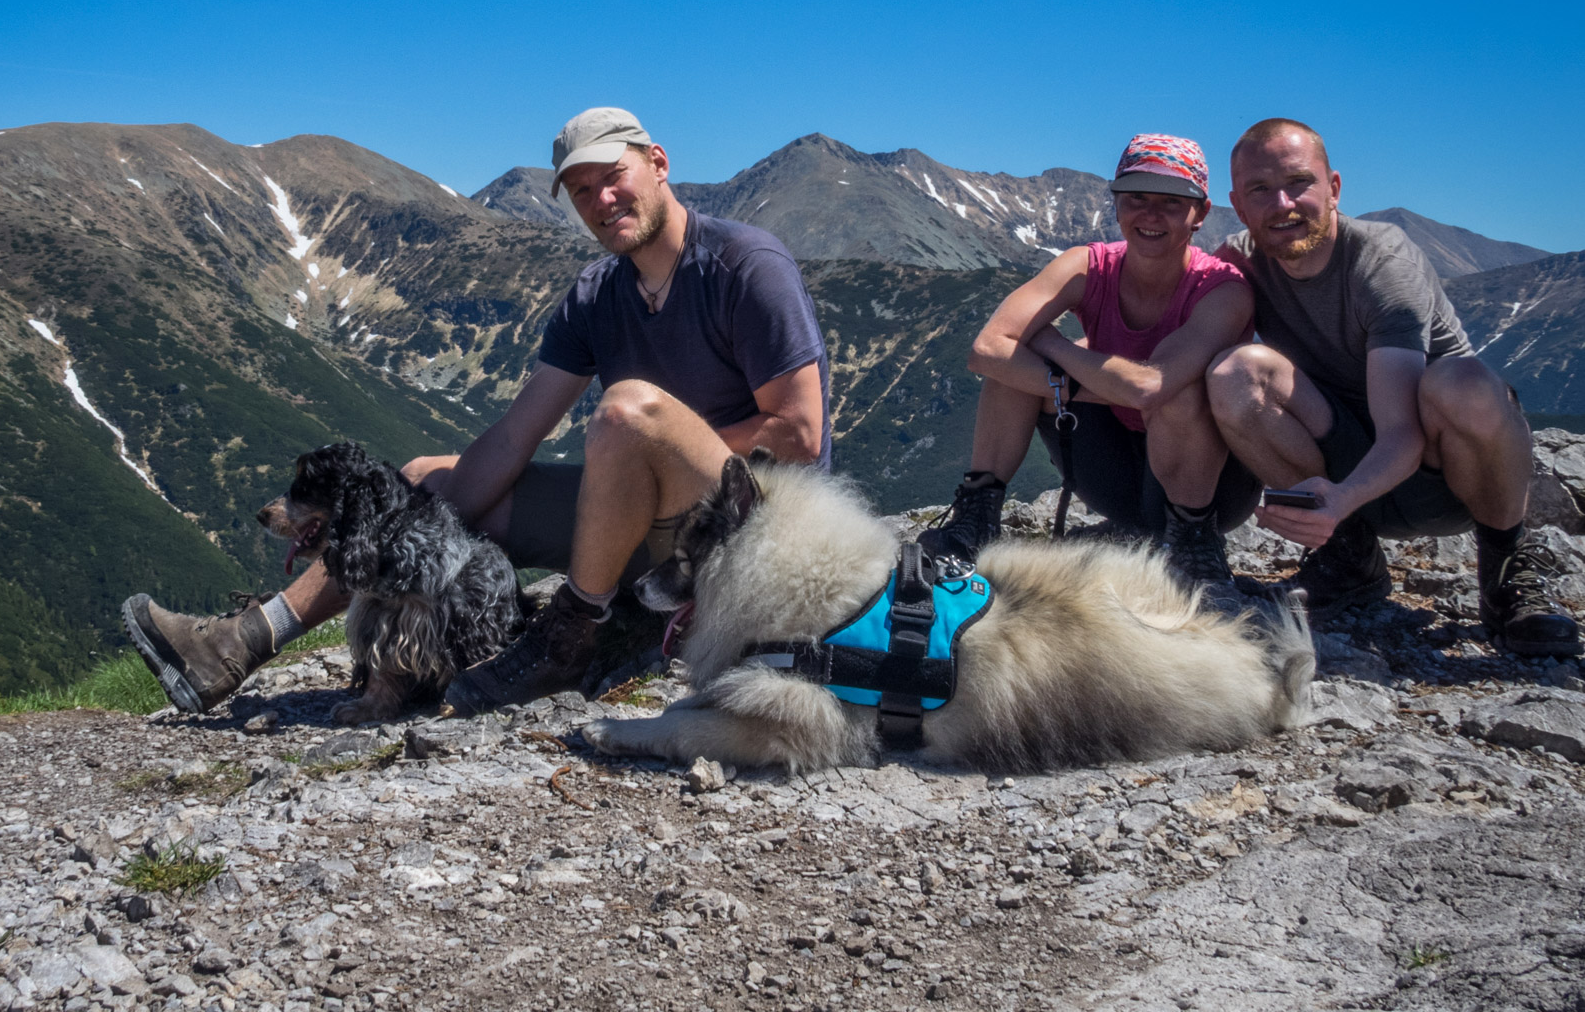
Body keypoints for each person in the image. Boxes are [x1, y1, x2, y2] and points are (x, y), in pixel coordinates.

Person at [123, 107, 831, 714]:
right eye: (581, 191)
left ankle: (567, 638)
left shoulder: (745, 266)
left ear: (658, 164)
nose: (602, 199)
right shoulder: (597, 295)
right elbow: (519, 430)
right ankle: (242, 643)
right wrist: (419, 502)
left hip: (744, 521)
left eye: (614, 176)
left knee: (626, 413)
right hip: (644, 513)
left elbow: (799, 435)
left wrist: (645, 457)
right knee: (427, 481)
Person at [1204, 117, 1578, 654]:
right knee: (1237, 374)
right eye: (1261, 191)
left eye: (1298, 183)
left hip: (1444, 474)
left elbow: (1401, 431)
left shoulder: (1383, 263)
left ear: (1333, 188)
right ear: (1239, 207)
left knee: (1463, 381)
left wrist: (1340, 499)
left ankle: (1507, 567)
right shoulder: (1239, 261)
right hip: (1348, 465)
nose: (1282, 204)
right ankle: (1351, 560)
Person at [920, 134, 1258, 587]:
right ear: (1116, 204)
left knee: (1181, 397)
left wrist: (1058, 347)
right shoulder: (1088, 265)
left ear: (1200, 214)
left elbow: (1149, 387)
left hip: (1210, 491)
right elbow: (987, 350)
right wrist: (1076, 386)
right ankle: (977, 516)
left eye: (1172, 202)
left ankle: (1194, 542)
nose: (1150, 214)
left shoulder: (1222, 289)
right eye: (1136, 197)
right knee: (1010, 374)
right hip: (1116, 470)